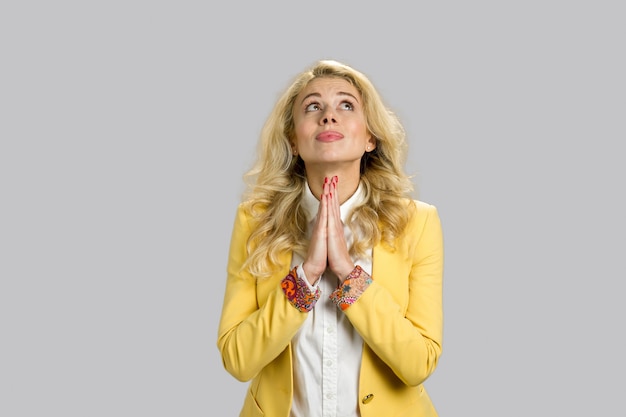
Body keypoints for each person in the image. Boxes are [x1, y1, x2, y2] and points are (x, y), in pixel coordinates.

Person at [217, 59, 444, 417]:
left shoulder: (417, 222)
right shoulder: (254, 221)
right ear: (293, 139)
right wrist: (304, 278)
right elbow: (237, 359)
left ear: (371, 136)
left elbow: (419, 364)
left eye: (346, 105)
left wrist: (348, 274)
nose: (328, 116)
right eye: (313, 107)